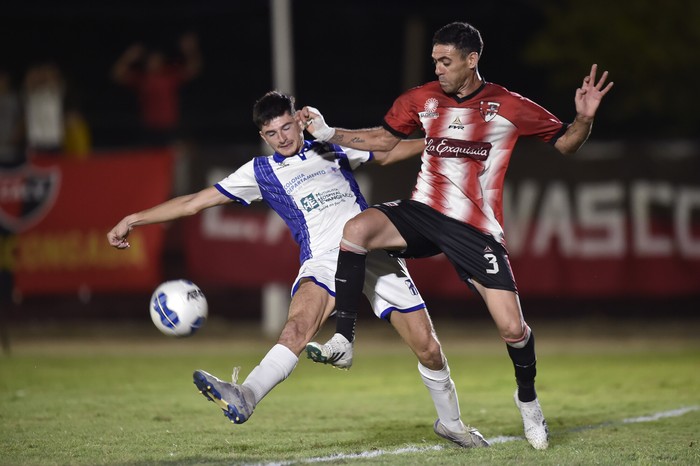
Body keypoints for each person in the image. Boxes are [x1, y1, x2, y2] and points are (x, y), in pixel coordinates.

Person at [107, 91, 490, 449]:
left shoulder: (329, 145)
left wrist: (440, 142)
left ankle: (451, 424)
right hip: (323, 259)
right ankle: (247, 395)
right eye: (271, 133)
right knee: (296, 328)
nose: (282, 137)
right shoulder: (260, 172)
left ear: (297, 119)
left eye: (286, 127)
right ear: (263, 135)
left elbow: (387, 153)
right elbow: (193, 203)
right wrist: (133, 218)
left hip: (373, 250)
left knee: (428, 348)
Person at [299, 21, 613, 451]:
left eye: (446, 62)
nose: (439, 69)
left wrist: (583, 118)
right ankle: (344, 339)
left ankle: (528, 402)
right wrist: (328, 133)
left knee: (512, 328)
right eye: (435, 61)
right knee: (356, 231)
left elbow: (565, 143)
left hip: (474, 230)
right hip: (424, 213)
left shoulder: (508, 105)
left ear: (472, 60)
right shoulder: (420, 100)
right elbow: (384, 142)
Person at [111, 32, 202, 146]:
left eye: (156, 60)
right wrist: (128, 56)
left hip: (169, 125)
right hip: (149, 127)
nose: (153, 63)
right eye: (150, 60)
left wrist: (190, 50)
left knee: (173, 155)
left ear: (161, 61)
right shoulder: (142, 78)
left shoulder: (169, 75)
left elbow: (192, 70)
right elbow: (117, 75)